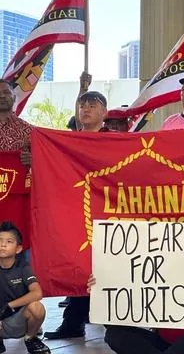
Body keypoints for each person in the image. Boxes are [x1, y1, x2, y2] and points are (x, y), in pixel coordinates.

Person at [44, 90, 110, 340]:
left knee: (105, 267)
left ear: (104, 112)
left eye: (93, 105)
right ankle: (72, 323)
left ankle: (117, 323)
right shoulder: (66, 142)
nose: (86, 109)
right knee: (78, 264)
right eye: (82, 105)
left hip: (107, 210)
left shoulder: (118, 141)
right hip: (76, 210)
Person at [86, 275, 184, 354]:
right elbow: (113, 320)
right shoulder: (150, 274)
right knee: (114, 334)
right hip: (162, 343)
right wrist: (100, 292)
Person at [0, 221, 50, 353]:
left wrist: (9, 306)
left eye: (9, 241)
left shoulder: (23, 267)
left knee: (37, 307)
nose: (3, 245)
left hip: (16, 320)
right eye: (0, 240)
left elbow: (37, 293)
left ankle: (30, 338)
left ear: (18, 249)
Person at [0, 79, 32, 166]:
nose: (2, 96)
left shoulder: (29, 130)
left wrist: (33, 160)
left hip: (18, 178)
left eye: (6, 92)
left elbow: (44, 157)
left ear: (14, 98)